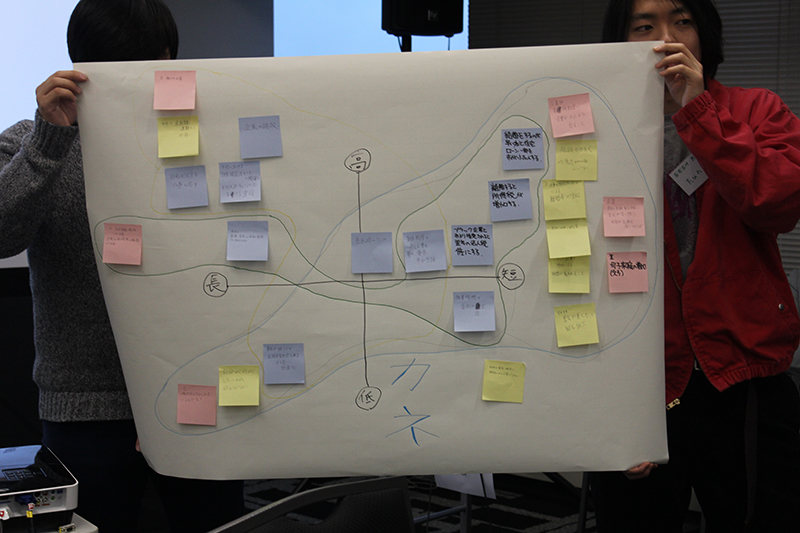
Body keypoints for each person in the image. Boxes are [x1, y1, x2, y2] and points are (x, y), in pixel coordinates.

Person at [0, 1, 243, 530]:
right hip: (85, 408)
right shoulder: (32, 140)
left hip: (196, 394)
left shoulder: (205, 138)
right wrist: (49, 140)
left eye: (156, 64)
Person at [590, 0, 800, 531]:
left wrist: (699, 109)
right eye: (644, 26)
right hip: (638, 377)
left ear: (704, 34)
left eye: (682, 21)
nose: (667, 38)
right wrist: (602, 407)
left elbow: (778, 204)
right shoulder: (596, 125)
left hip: (740, 373)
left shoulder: (757, 110)